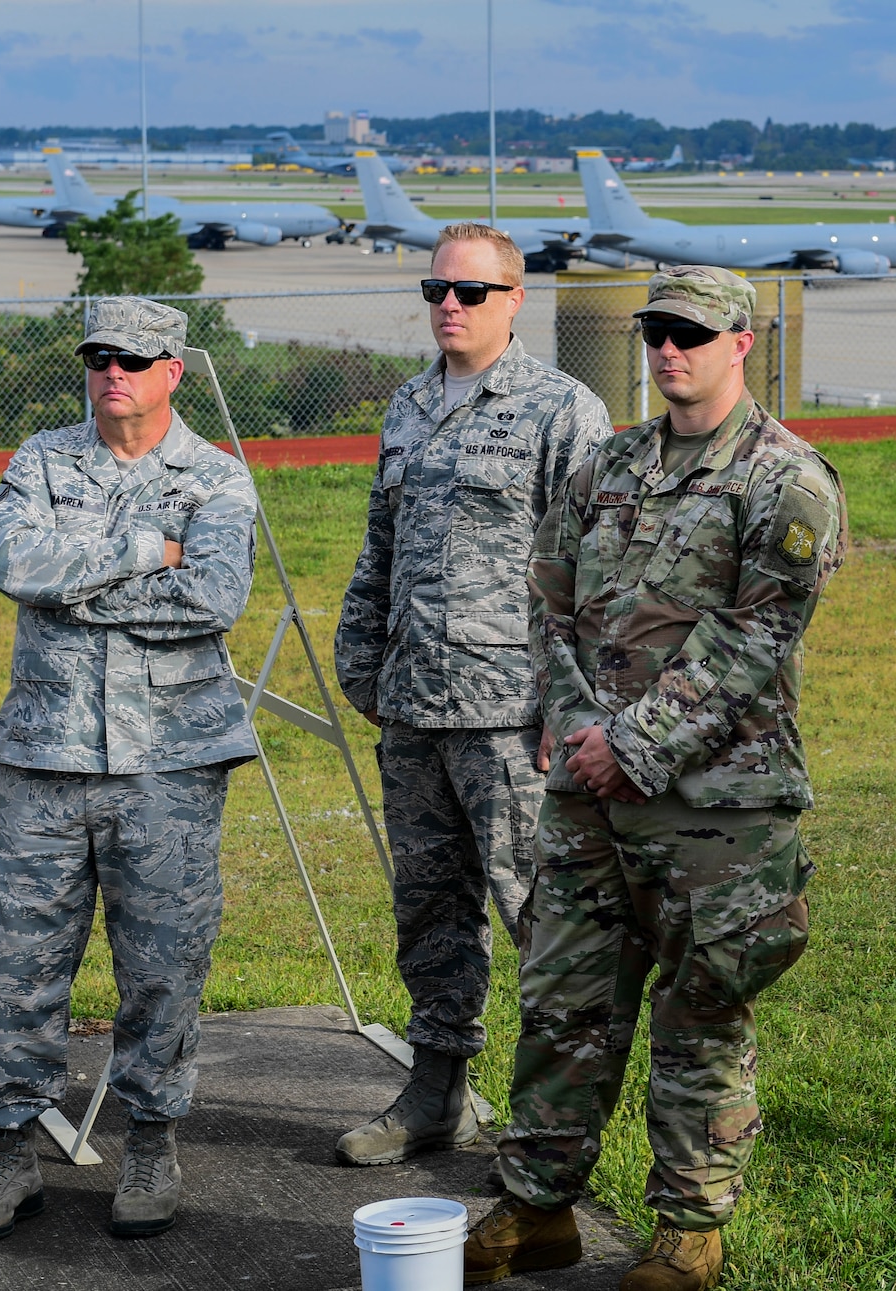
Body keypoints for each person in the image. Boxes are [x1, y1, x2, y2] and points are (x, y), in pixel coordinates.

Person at [464, 266, 846, 1291]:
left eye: (688, 333)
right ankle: (538, 1205)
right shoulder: (609, 463)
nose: (667, 350)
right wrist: (576, 720)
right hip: (591, 791)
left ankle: (688, 1228)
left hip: (716, 807)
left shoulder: (786, 479)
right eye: (655, 333)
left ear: (740, 343)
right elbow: (551, 598)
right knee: (562, 1002)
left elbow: (754, 637)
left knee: (699, 1010)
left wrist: (630, 742)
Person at [0, 297, 259, 1243]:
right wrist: (139, 552)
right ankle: (8, 1155)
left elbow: (213, 595)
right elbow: (13, 559)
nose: (112, 369)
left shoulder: (218, 477)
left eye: (133, 356)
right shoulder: (43, 458)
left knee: (163, 963)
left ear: (172, 369)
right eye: (98, 354)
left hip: (169, 764)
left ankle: (152, 1144)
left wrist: (74, 593)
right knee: (20, 961)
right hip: (46, 758)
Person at [333, 222, 611, 1167]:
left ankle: (552, 1123)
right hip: (414, 705)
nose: (450, 305)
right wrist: (362, 662)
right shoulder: (408, 407)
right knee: (430, 912)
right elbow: (381, 543)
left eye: (471, 291)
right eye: (436, 290)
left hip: (511, 716)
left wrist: (566, 709)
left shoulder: (562, 411)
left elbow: (592, 576)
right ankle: (435, 1092)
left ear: (513, 299)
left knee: (540, 913)